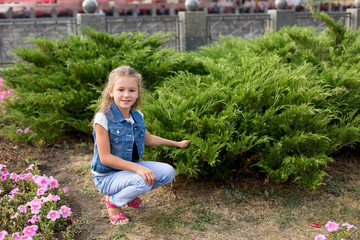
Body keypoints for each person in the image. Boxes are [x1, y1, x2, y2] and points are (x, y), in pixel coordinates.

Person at [91, 65, 190, 225]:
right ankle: (113, 202)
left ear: (138, 93)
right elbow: (105, 158)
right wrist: (138, 168)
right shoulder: (103, 118)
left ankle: (128, 195)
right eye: (121, 90)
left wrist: (176, 144)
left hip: (127, 171)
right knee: (143, 179)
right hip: (107, 177)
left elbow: (148, 139)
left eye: (131, 90)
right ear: (111, 91)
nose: (126, 95)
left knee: (168, 172)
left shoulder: (137, 116)